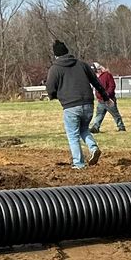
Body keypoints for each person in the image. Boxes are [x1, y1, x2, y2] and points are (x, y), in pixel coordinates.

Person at [45, 39, 100, 168]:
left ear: (56, 55)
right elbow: (96, 82)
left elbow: (50, 87)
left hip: (71, 106)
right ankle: (93, 148)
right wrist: (106, 97)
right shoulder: (82, 64)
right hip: (88, 104)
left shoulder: (55, 69)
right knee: (84, 129)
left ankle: (79, 163)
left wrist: (53, 96)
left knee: (72, 135)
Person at [89, 61, 125, 134]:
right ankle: (95, 127)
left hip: (109, 100)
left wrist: (107, 94)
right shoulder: (95, 77)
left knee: (115, 114)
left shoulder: (107, 75)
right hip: (101, 100)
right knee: (99, 114)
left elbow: (112, 86)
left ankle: (121, 127)